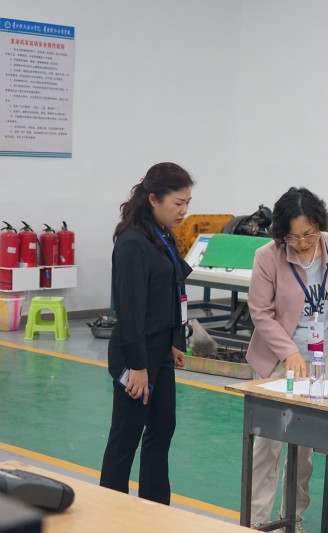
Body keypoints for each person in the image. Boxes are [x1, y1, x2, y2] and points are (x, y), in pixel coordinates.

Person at [245, 187, 328, 532]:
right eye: (293, 238)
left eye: (309, 234)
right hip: (280, 363)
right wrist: (289, 351)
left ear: (320, 224)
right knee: (268, 447)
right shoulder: (268, 256)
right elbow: (260, 312)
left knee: (304, 450)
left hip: (322, 363)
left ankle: (293, 517)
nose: (303, 243)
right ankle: (256, 522)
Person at [100, 162, 194, 504]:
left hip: (160, 349)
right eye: (178, 203)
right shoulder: (132, 243)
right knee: (126, 436)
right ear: (153, 199)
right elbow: (129, 312)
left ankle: (155, 509)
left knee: (162, 429)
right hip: (135, 354)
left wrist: (174, 340)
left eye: (187, 203)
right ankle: (112, 510)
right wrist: (138, 366)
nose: (183, 211)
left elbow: (171, 291)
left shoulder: (162, 234)